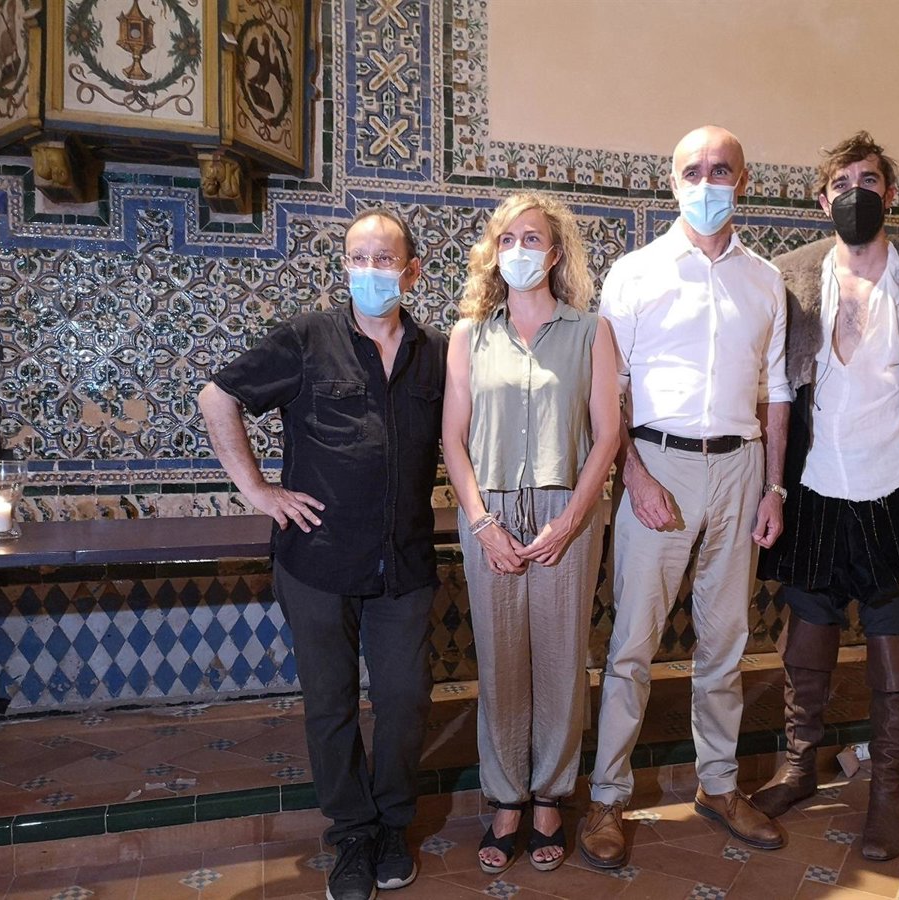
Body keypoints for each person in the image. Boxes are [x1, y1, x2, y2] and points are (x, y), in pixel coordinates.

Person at [198, 209, 447, 900]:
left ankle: (393, 823)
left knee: (404, 699)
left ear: (411, 271)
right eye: (357, 258)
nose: (370, 270)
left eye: (384, 258)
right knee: (330, 704)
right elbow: (217, 397)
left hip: (404, 562)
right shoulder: (308, 338)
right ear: (344, 267)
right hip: (317, 562)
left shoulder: (437, 352)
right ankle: (352, 833)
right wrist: (258, 490)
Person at [753, 131, 899, 861]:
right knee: (806, 634)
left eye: (869, 180)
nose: (855, 193)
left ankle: (888, 786)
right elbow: (771, 387)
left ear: (891, 193)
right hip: (814, 483)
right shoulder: (788, 279)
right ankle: (799, 764)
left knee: (895, 638)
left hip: (897, 483)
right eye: (842, 182)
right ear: (821, 199)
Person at [578, 125, 791, 870]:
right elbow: (609, 390)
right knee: (632, 644)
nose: (707, 183)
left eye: (721, 170)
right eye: (693, 171)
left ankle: (719, 785)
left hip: (741, 466)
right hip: (658, 463)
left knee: (725, 641)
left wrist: (774, 487)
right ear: (672, 183)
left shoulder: (765, 281)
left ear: (743, 181)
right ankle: (607, 796)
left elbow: (777, 392)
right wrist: (633, 474)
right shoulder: (635, 274)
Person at [442, 192, 620, 874]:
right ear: (494, 252)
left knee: (560, 659)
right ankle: (505, 798)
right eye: (508, 239)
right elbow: (453, 439)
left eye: (534, 238)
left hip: (564, 509)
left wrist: (571, 519)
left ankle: (550, 795)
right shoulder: (469, 336)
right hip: (488, 511)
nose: (520, 250)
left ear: (555, 252)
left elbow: (607, 435)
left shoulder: (590, 331)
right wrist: (481, 522)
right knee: (499, 660)